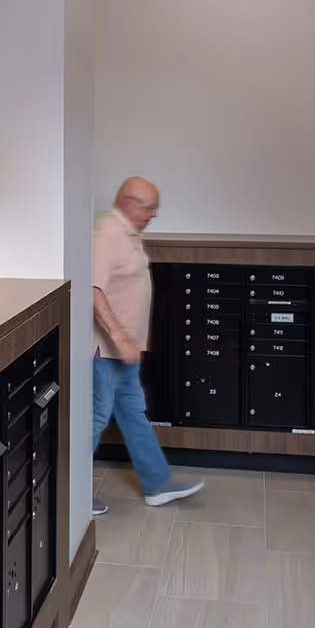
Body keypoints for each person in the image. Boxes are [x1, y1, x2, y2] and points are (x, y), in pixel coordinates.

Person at [91, 176, 203, 514]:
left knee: (133, 413)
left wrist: (136, 339)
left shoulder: (131, 234)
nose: (154, 213)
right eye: (149, 206)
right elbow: (92, 290)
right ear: (128, 201)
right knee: (95, 418)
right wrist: (122, 337)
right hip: (105, 351)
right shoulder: (108, 232)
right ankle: (71, 495)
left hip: (124, 353)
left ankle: (157, 483)